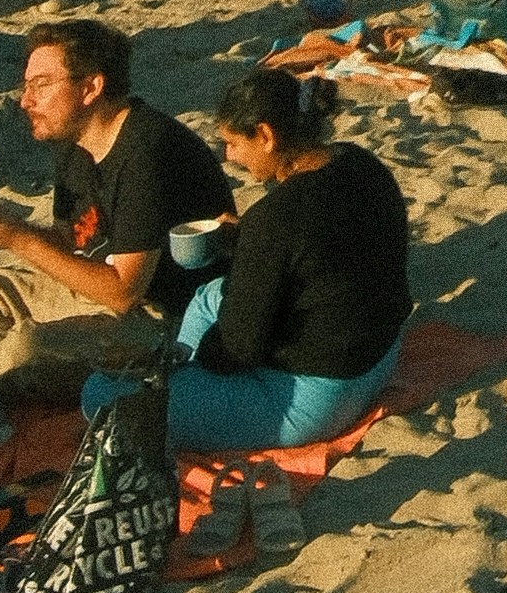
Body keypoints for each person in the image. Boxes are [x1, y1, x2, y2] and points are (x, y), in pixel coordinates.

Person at [0, 20, 226, 384]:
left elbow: (124, 292)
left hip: (159, 318)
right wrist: (3, 221)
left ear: (90, 88)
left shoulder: (148, 152)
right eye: (26, 86)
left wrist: (14, 238)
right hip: (90, 288)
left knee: (28, 346)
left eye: (41, 85)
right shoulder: (76, 145)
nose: (26, 101)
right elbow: (69, 242)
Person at [167, 67, 412, 453]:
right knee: (208, 296)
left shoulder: (275, 218)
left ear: (265, 135)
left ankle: (185, 379)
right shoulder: (361, 163)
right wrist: (248, 244)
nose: (229, 156)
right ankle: (188, 377)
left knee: (107, 394)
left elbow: (236, 350)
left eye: (232, 143)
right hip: (380, 357)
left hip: (318, 398)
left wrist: (199, 365)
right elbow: (327, 249)